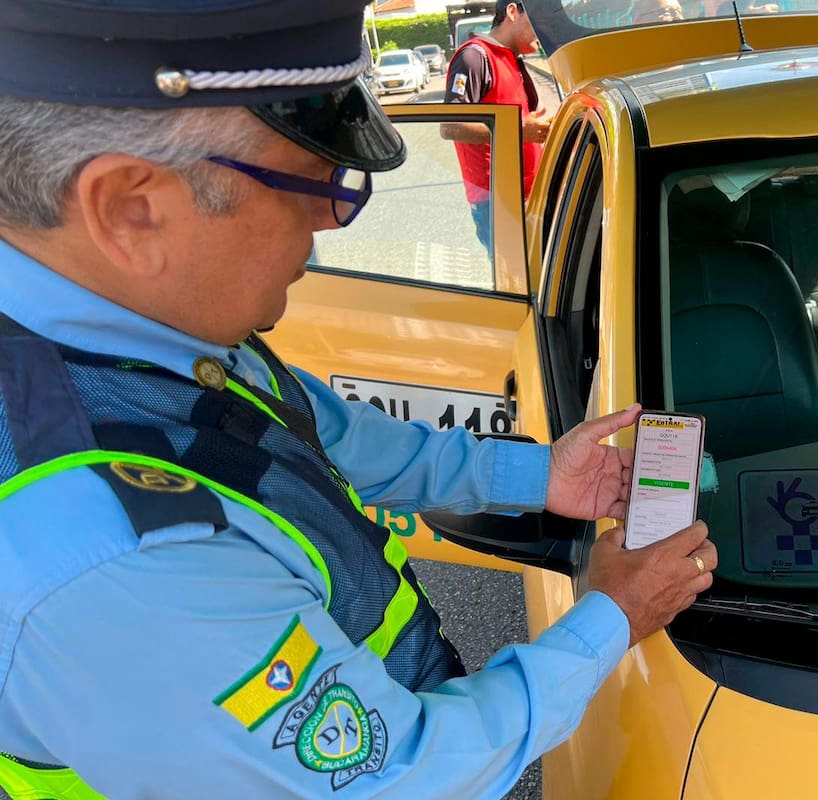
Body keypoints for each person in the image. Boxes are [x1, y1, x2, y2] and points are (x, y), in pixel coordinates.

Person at [0, 2, 718, 798]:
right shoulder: (104, 559)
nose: (329, 221)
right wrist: (609, 617)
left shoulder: (138, 324)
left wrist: (539, 477)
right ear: (131, 207)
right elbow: (396, 777)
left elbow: (316, 433)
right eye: (310, 183)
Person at [441, 0, 549, 253]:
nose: (544, 30)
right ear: (512, 12)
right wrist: (519, 131)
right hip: (497, 202)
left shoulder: (512, 59)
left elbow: (521, 123)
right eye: (538, 20)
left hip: (527, 194)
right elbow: (450, 124)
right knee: (518, 283)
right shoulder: (474, 57)